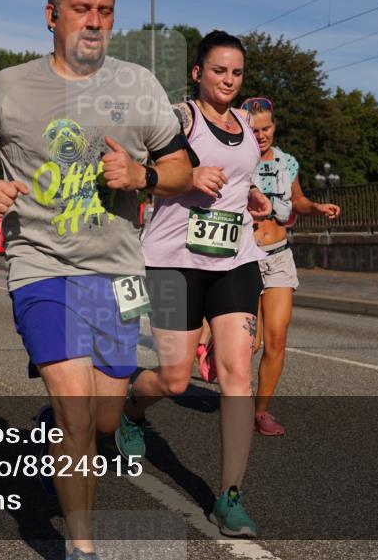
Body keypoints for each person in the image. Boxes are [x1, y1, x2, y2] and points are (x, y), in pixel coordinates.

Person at [0, 0, 194, 560]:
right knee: (76, 414)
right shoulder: (7, 87)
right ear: (52, 16)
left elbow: (181, 167)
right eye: (82, 9)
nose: (94, 21)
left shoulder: (138, 84)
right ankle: (81, 548)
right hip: (42, 268)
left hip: (120, 273)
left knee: (104, 418)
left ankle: (125, 414)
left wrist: (143, 173)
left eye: (105, 10)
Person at [115, 32, 271, 538]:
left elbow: (240, 176)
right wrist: (184, 178)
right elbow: (139, 172)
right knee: (176, 378)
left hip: (235, 259)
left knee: (236, 375)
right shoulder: (178, 119)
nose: (228, 80)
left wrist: (252, 198)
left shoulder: (246, 124)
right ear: (197, 73)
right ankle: (131, 411)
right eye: (219, 71)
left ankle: (230, 497)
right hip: (171, 262)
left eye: (237, 72)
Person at [243, 97, 341, 436]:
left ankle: (261, 413)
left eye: (266, 127)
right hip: (244, 256)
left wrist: (316, 206)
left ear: (275, 126)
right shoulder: (236, 159)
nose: (260, 135)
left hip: (279, 256)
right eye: (254, 129)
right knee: (248, 345)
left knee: (276, 339)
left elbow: (296, 200)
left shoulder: (287, 162)